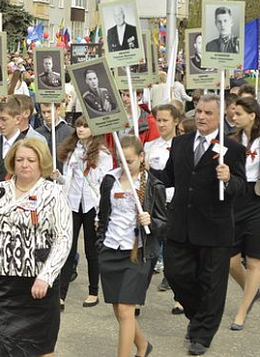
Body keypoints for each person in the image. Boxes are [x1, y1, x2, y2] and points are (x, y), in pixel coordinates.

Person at [150, 93, 246, 355]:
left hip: (215, 227)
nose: (202, 117)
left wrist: (229, 179)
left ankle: (203, 334)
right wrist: (143, 172)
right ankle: (199, 315)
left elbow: (241, 188)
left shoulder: (233, 148)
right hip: (181, 223)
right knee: (175, 273)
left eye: (208, 113)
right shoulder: (180, 143)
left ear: (220, 116)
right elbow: (168, 177)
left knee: (213, 284)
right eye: (199, 111)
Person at [0, 137, 71, 356]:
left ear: (41, 162)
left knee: (40, 348)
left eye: (31, 160)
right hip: (0, 286)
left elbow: (64, 239)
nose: (25, 164)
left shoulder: (53, 193)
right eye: (20, 159)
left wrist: (46, 276)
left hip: (37, 286)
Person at [96, 134, 166, 357]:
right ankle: (143, 346)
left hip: (137, 252)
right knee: (118, 309)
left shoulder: (154, 185)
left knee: (127, 310)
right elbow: (104, 213)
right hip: (110, 249)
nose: (126, 165)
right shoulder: (110, 179)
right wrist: (100, 243)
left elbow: (165, 224)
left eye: (130, 160)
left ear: (141, 157)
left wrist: (151, 221)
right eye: (121, 160)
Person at [51, 116, 112, 309]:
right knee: (68, 249)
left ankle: (93, 292)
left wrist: (99, 214)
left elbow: (104, 185)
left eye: (85, 126)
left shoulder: (103, 154)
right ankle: (61, 295)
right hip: (73, 204)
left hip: (92, 206)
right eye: (78, 125)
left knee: (91, 251)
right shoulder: (71, 150)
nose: (81, 129)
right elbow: (69, 181)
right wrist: (59, 177)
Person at [143, 104, 184, 313]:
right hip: (155, 207)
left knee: (174, 255)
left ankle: (179, 298)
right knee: (149, 253)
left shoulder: (183, 146)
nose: (161, 124)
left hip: (176, 205)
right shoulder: (150, 146)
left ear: (176, 121)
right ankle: (137, 297)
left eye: (165, 120)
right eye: (158, 120)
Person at [227, 97, 260, 331]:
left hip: (256, 198)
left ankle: (242, 310)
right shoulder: (233, 140)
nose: (233, 117)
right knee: (230, 260)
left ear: (252, 115)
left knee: (254, 261)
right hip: (236, 198)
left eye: (238, 113)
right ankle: (253, 289)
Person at [35, 102, 75, 170]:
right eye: (43, 112)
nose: (46, 116)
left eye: (49, 112)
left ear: (58, 110)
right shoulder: (37, 133)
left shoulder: (70, 132)